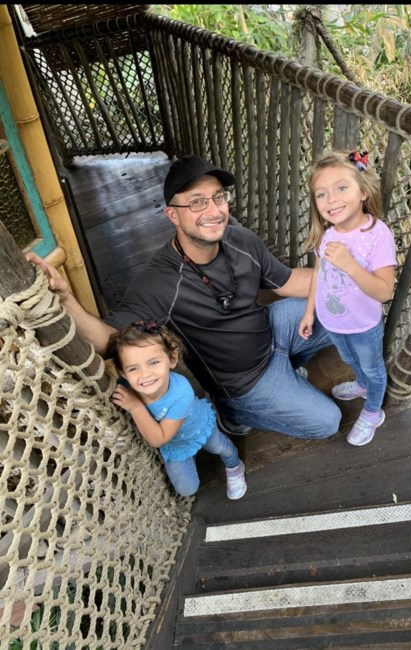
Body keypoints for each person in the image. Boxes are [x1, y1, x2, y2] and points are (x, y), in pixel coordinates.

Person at [27, 154, 342, 440]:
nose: (213, 210)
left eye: (218, 197)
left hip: (271, 329)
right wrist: (66, 298)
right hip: (242, 380)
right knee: (327, 422)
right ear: (173, 215)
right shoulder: (160, 282)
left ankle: (287, 371)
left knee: (342, 309)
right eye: (197, 203)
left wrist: (351, 276)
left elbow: (288, 282)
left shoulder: (240, 239)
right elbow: (106, 341)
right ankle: (233, 413)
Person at [299, 149, 397, 446]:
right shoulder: (327, 233)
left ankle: (372, 411)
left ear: (363, 192)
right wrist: (309, 311)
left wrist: (350, 265)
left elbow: (384, 291)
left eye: (341, 188)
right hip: (333, 322)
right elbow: (318, 273)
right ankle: (364, 386)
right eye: (322, 194)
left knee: (372, 367)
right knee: (348, 359)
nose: (331, 199)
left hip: (364, 325)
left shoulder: (378, 234)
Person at [108, 320, 247, 499]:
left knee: (220, 447)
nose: (145, 374)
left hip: (198, 427)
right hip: (176, 446)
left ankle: (235, 466)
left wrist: (135, 407)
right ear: (123, 372)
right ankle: (191, 455)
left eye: (154, 362)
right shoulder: (128, 388)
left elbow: (159, 439)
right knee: (187, 490)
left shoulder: (182, 392)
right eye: (133, 368)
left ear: (172, 359)